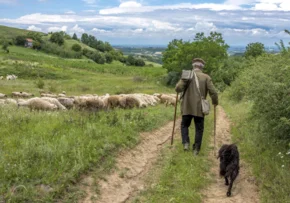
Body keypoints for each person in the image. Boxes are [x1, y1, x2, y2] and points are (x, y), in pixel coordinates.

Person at [175, 58, 218, 155]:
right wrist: (215, 102)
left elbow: (178, 89)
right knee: (199, 128)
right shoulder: (206, 77)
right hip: (199, 108)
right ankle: (196, 150)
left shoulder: (187, 75)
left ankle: (186, 143)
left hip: (187, 106)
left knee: (184, 125)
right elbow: (214, 92)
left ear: (193, 66)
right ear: (202, 67)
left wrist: (181, 82)